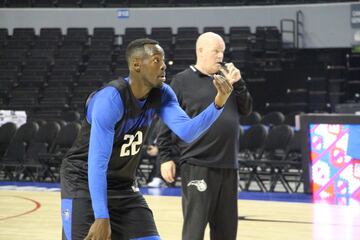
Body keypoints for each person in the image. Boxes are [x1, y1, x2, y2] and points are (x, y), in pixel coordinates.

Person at [59, 38, 234, 240]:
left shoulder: (162, 93)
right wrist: (101, 217)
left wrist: (218, 103)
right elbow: (97, 163)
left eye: (164, 60)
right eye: (156, 60)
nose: (163, 66)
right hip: (83, 181)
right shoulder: (110, 100)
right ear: (136, 65)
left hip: (123, 184)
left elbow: (187, 131)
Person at [157, 32, 253, 240]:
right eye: (215, 51)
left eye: (223, 51)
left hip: (228, 166)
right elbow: (165, 124)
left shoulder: (228, 79)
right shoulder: (181, 81)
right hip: (197, 165)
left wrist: (239, 83)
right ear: (200, 51)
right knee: (194, 231)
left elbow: (246, 110)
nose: (221, 55)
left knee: (227, 233)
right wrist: (165, 158)